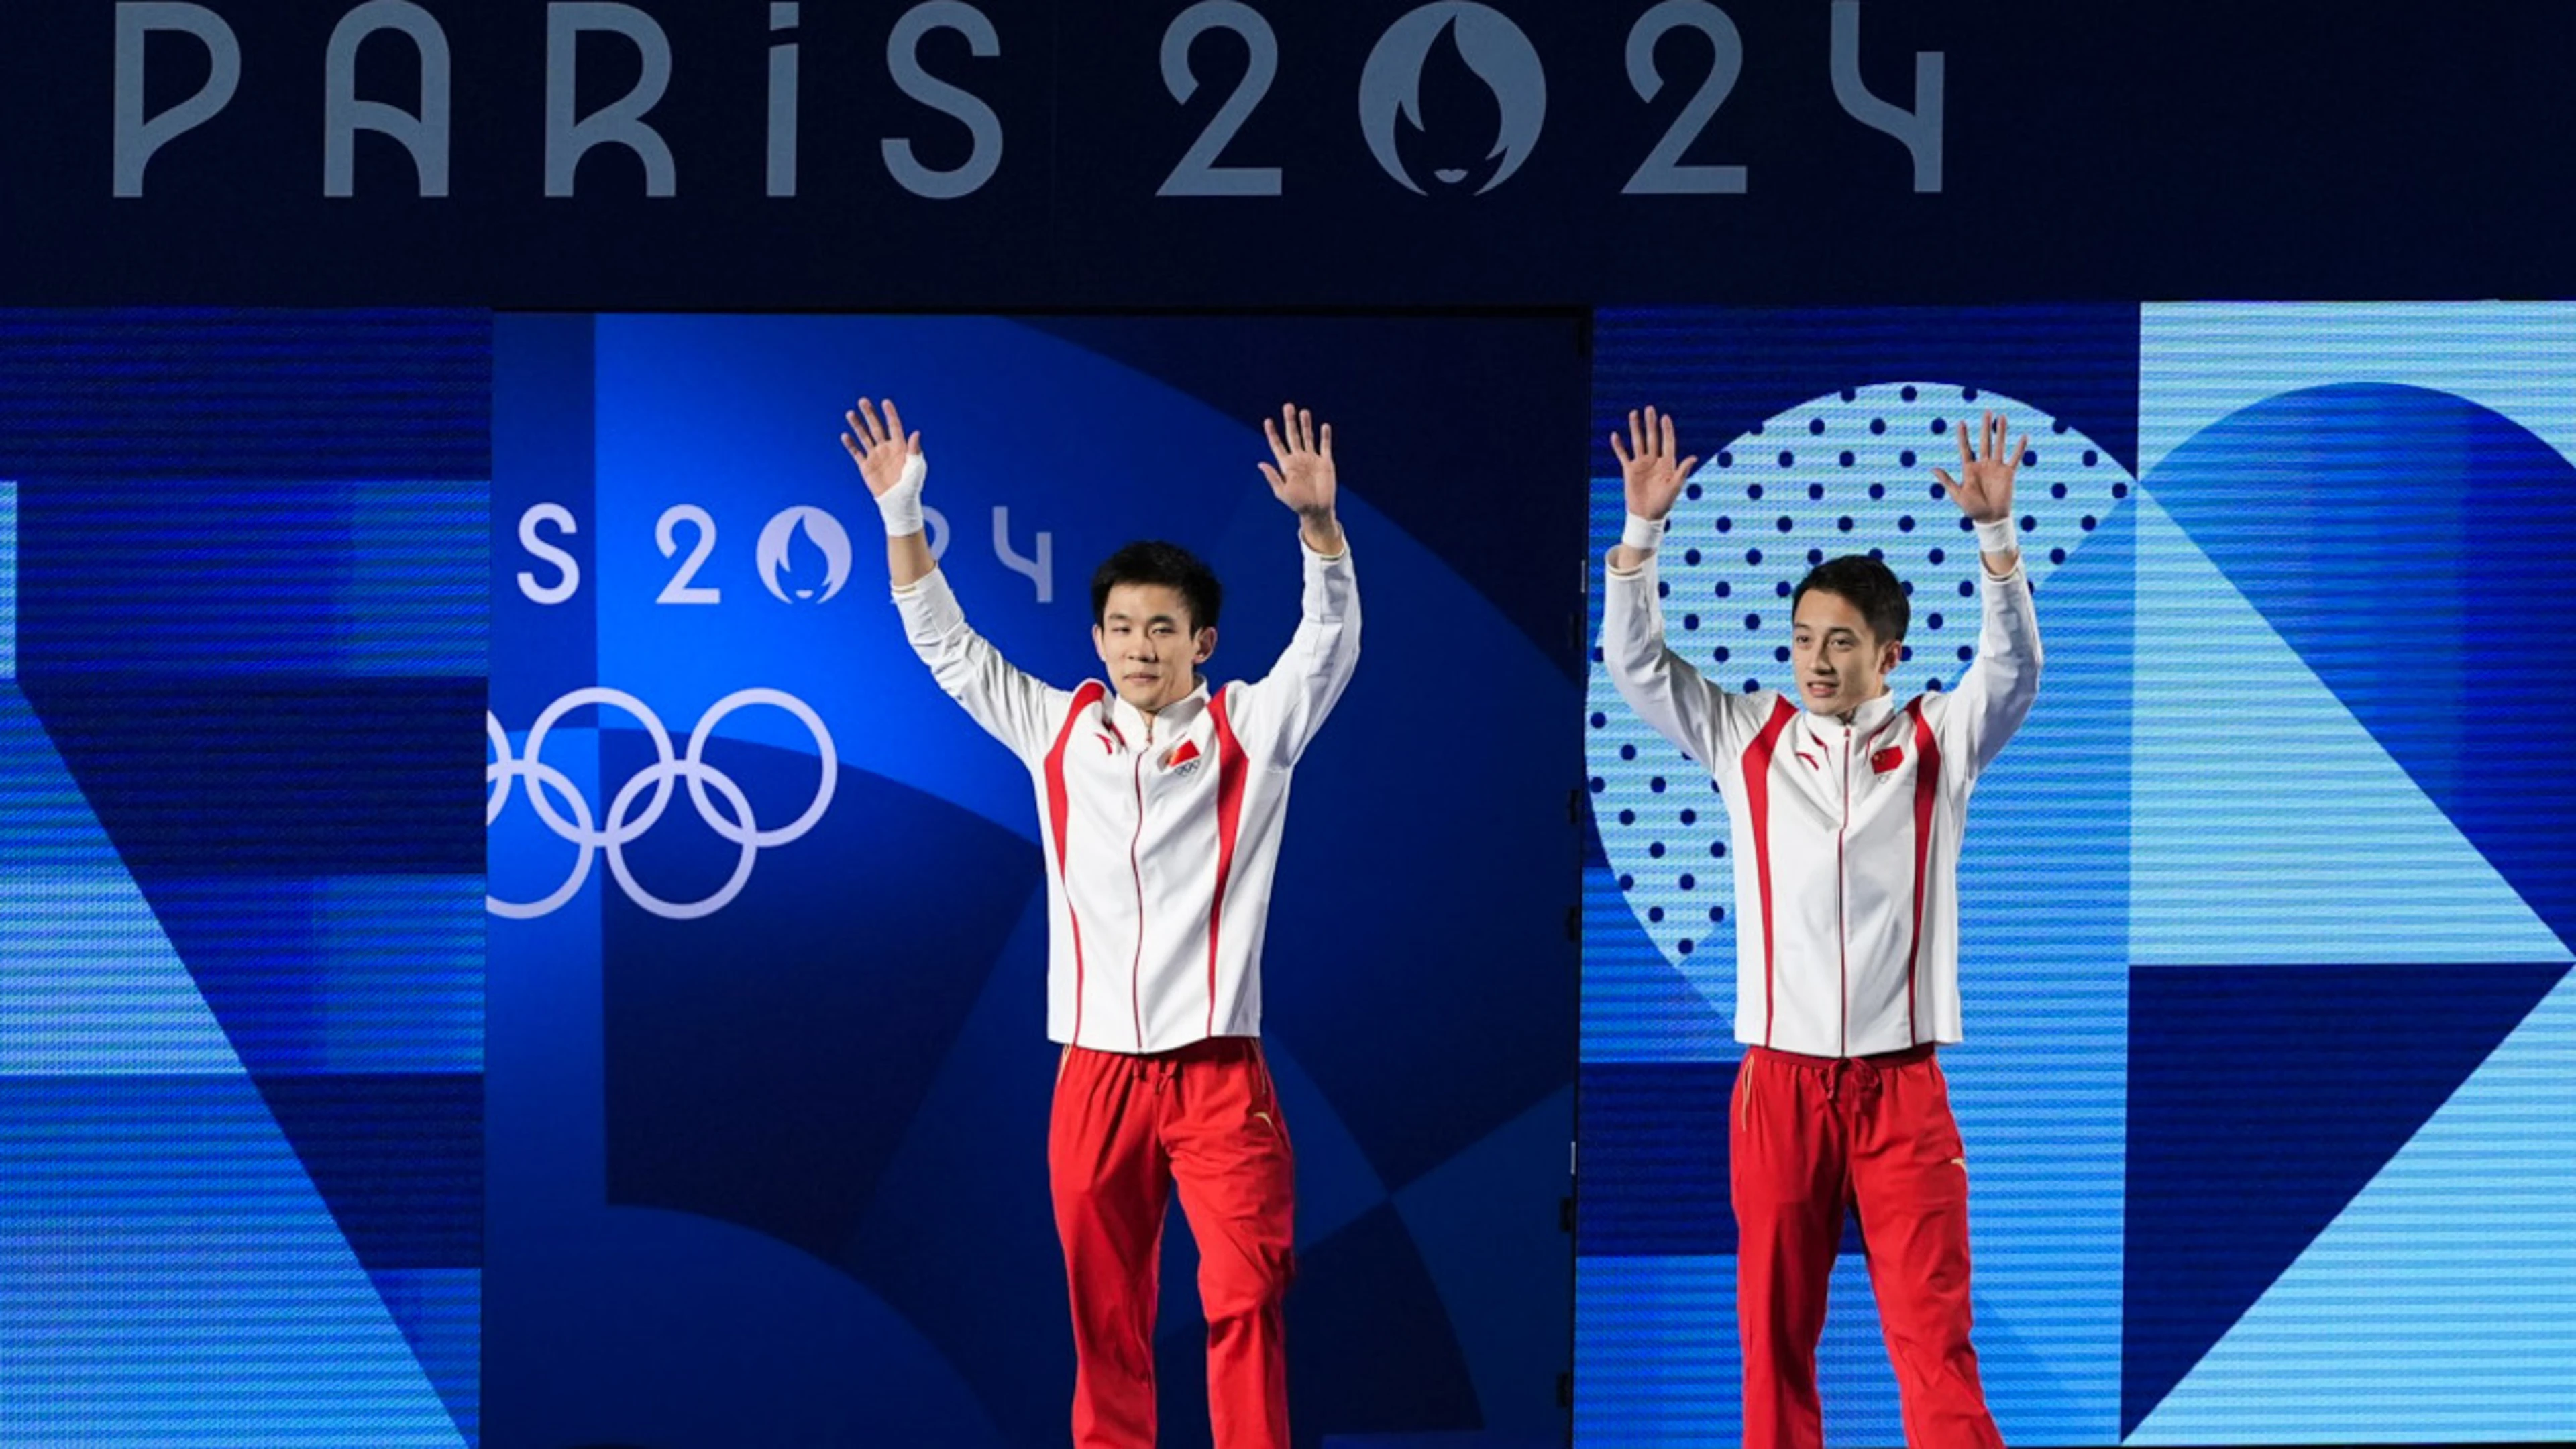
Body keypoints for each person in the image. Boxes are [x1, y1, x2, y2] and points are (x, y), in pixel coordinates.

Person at [841, 397, 1359, 1449]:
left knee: (1246, 1297)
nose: (1138, 647)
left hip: (1218, 1076)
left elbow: (1327, 643)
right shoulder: (1058, 729)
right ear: (1097, 639)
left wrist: (1320, 529)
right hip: (1095, 1077)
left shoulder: (1252, 730)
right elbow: (944, 644)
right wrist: (901, 513)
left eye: (1162, 628)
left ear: (1203, 641)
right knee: (1105, 1317)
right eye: (1121, 628)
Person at [1599, 405, 2039, 1449]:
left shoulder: (1939, 740)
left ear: (1890, 653)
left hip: (1903, 1094)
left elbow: (2013, 671)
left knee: (1934, 1342)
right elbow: (1638, 666)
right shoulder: (1747, 736)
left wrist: (1996, 539)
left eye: (1841, 642)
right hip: (1780, 1089)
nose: (1816, 661)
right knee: (1774, 1342)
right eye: (1803, 640)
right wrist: (1642, 534)